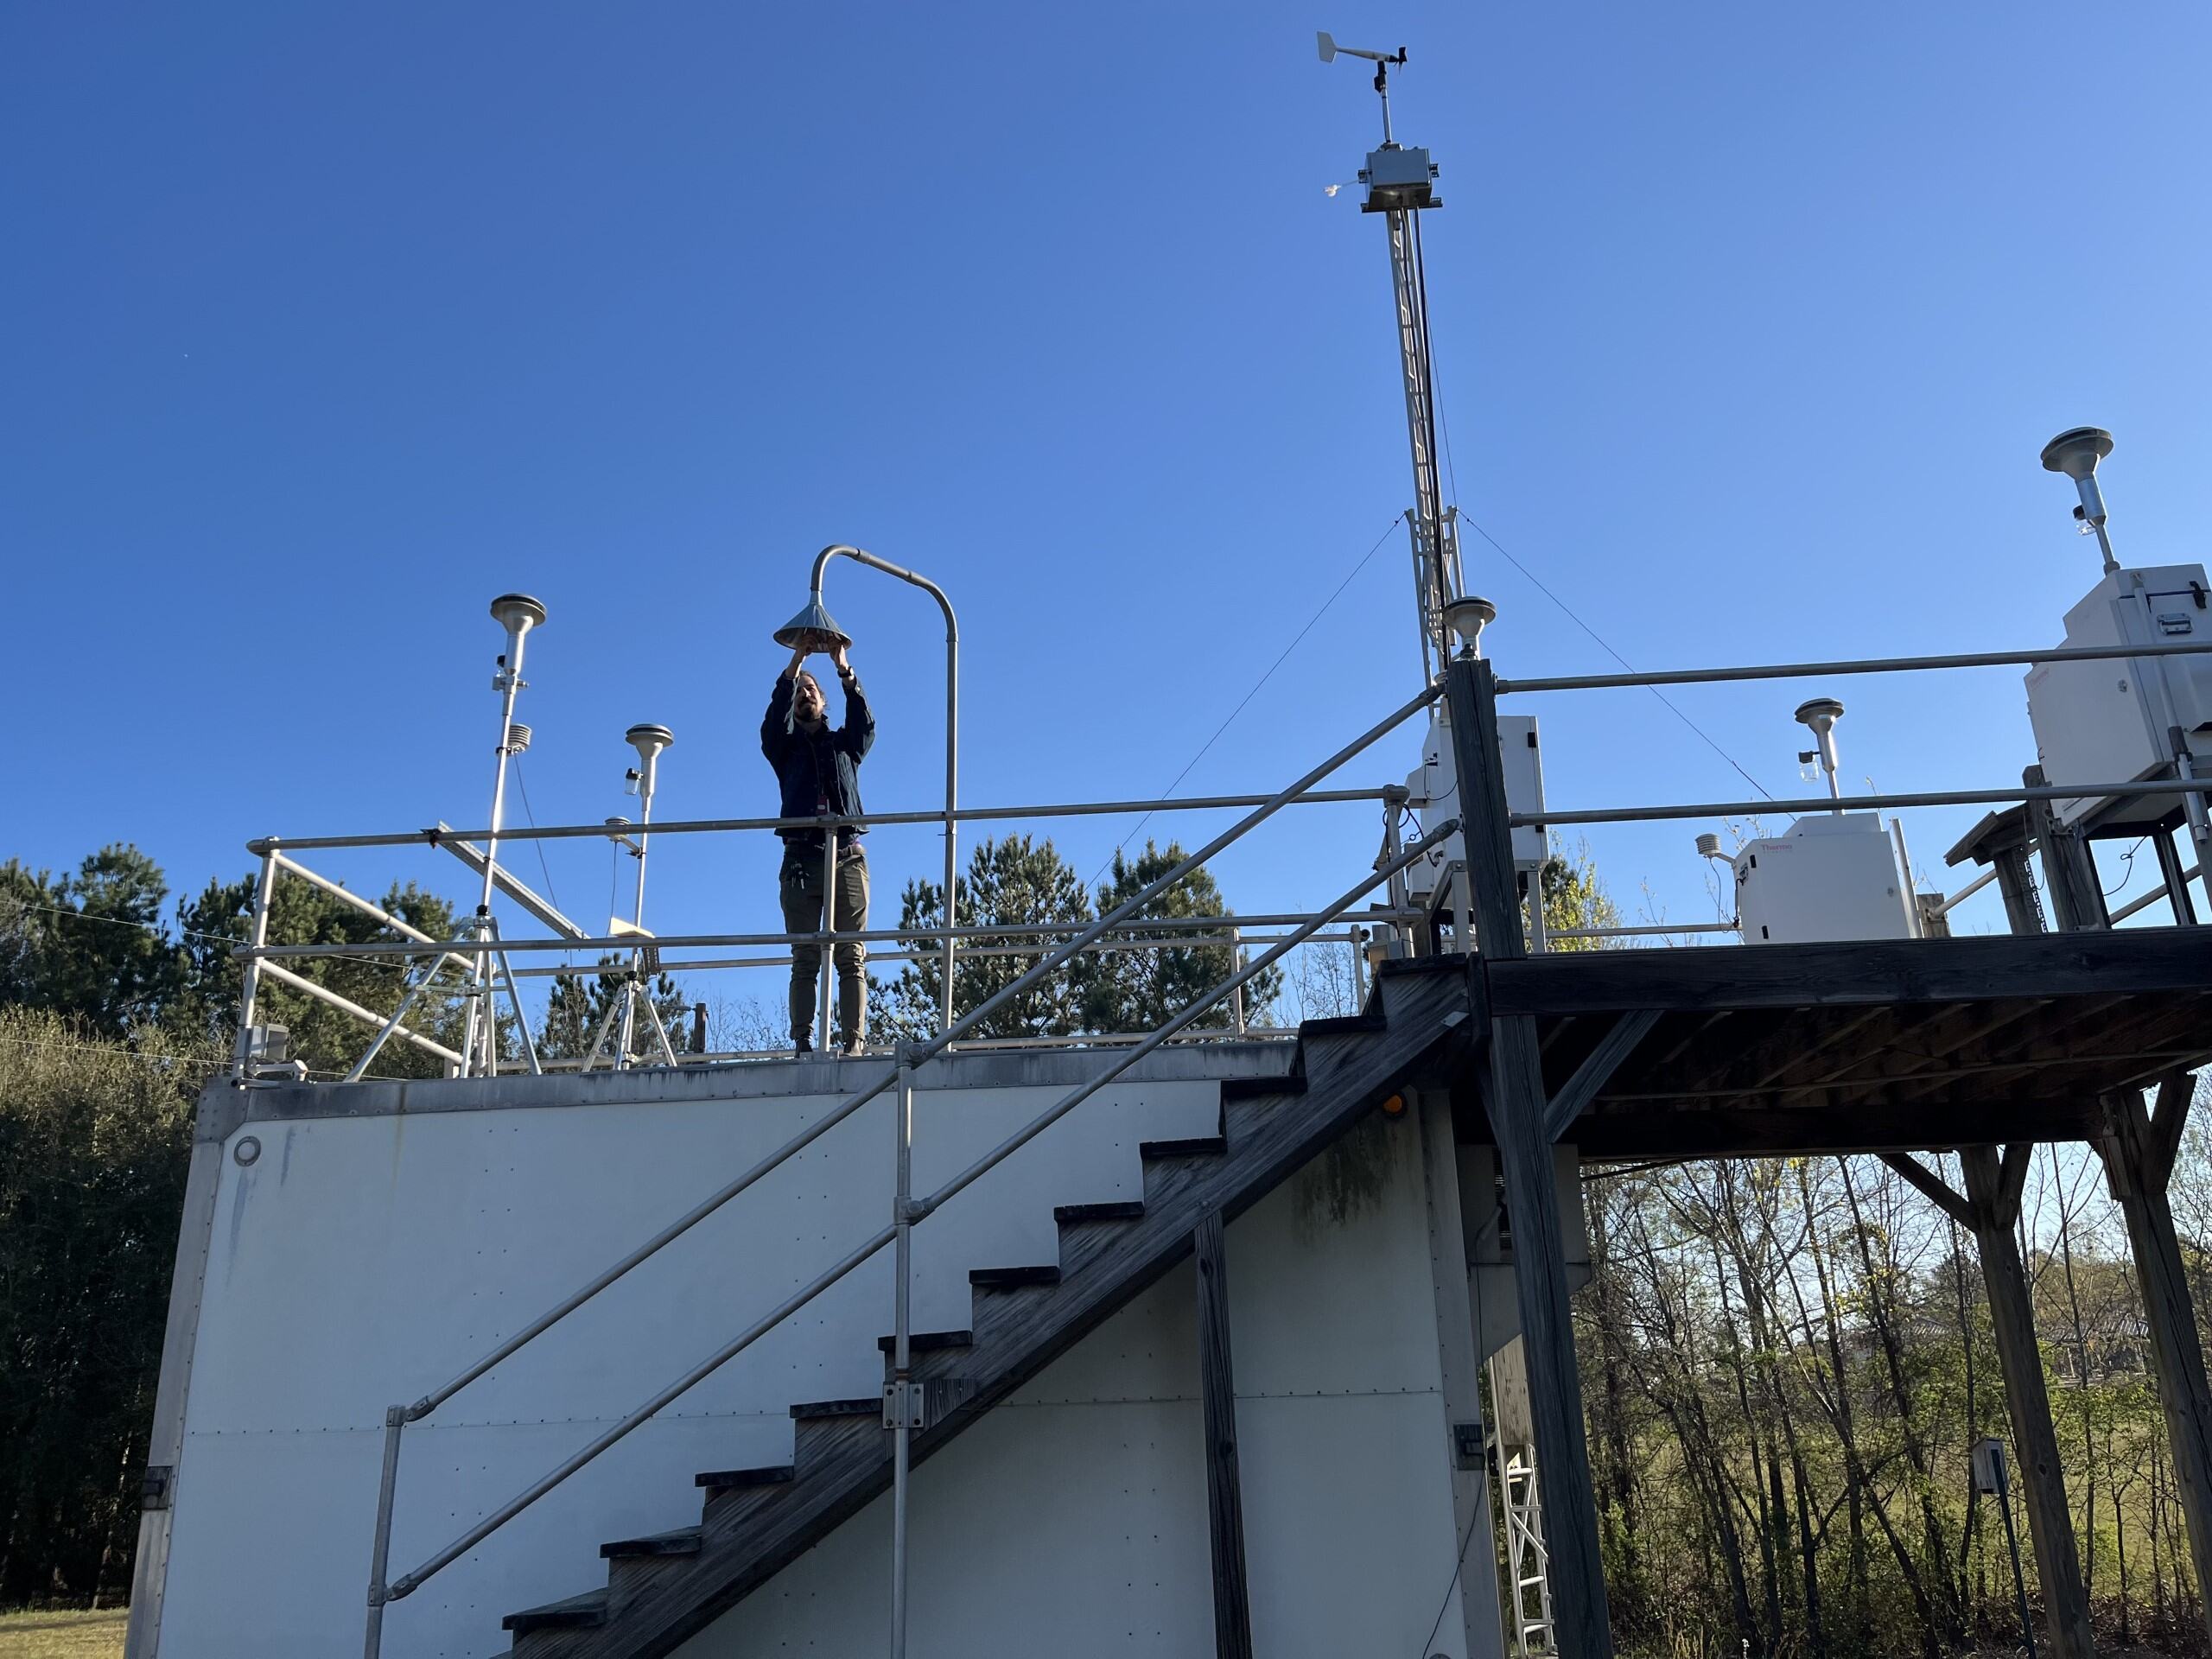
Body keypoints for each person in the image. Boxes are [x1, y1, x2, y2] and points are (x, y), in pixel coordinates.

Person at [761, 639, 874, 1055]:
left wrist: (844, 670)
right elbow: (771, 726)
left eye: (811, 689)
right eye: (799, 692)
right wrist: (795, 665)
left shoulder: (844, 745)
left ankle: (853, 1041)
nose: (805, 694)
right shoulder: (785, 750)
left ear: (824, 700)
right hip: (801, 860)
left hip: (847, 857)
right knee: (805, 955)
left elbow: (865, 726)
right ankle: (803, 1041)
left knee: (851, 954)